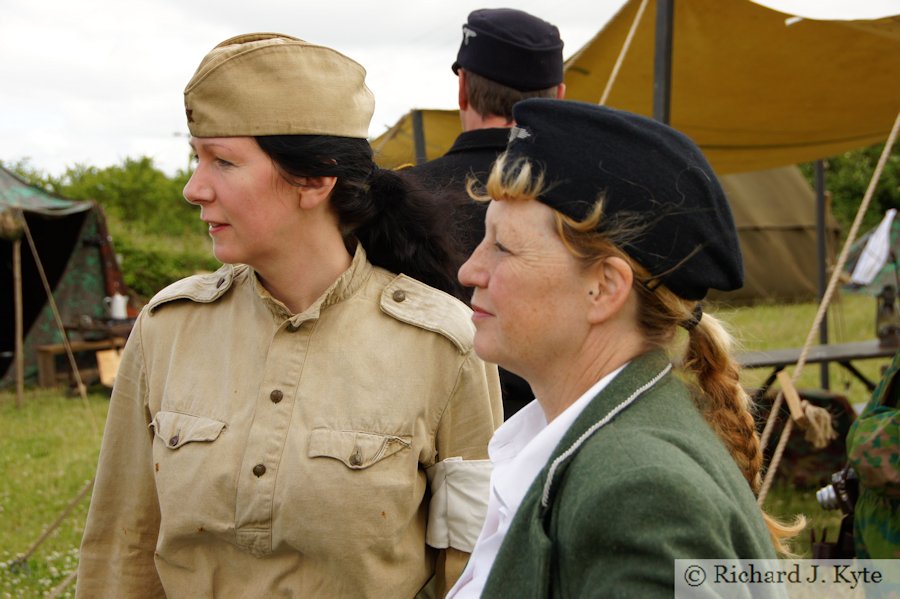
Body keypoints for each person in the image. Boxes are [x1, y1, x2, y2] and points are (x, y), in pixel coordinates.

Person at [75, 33, 501, 599]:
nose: (193, 188)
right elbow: (121, 546)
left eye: (223, 161)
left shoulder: (446, 345)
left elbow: (472, 567)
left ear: (315, 180)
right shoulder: (166, 328)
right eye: (196, 158)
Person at [448, 98, 800, 597]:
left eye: (503, 247)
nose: (469, 271)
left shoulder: (637, 492)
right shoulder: (600, 442)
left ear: (604, 289)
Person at [409, 7, 566, 419]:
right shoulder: (585, 201)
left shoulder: (400, 200)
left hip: (426, 431)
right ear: (560, 96)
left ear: (462, 89)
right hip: (560, 427)